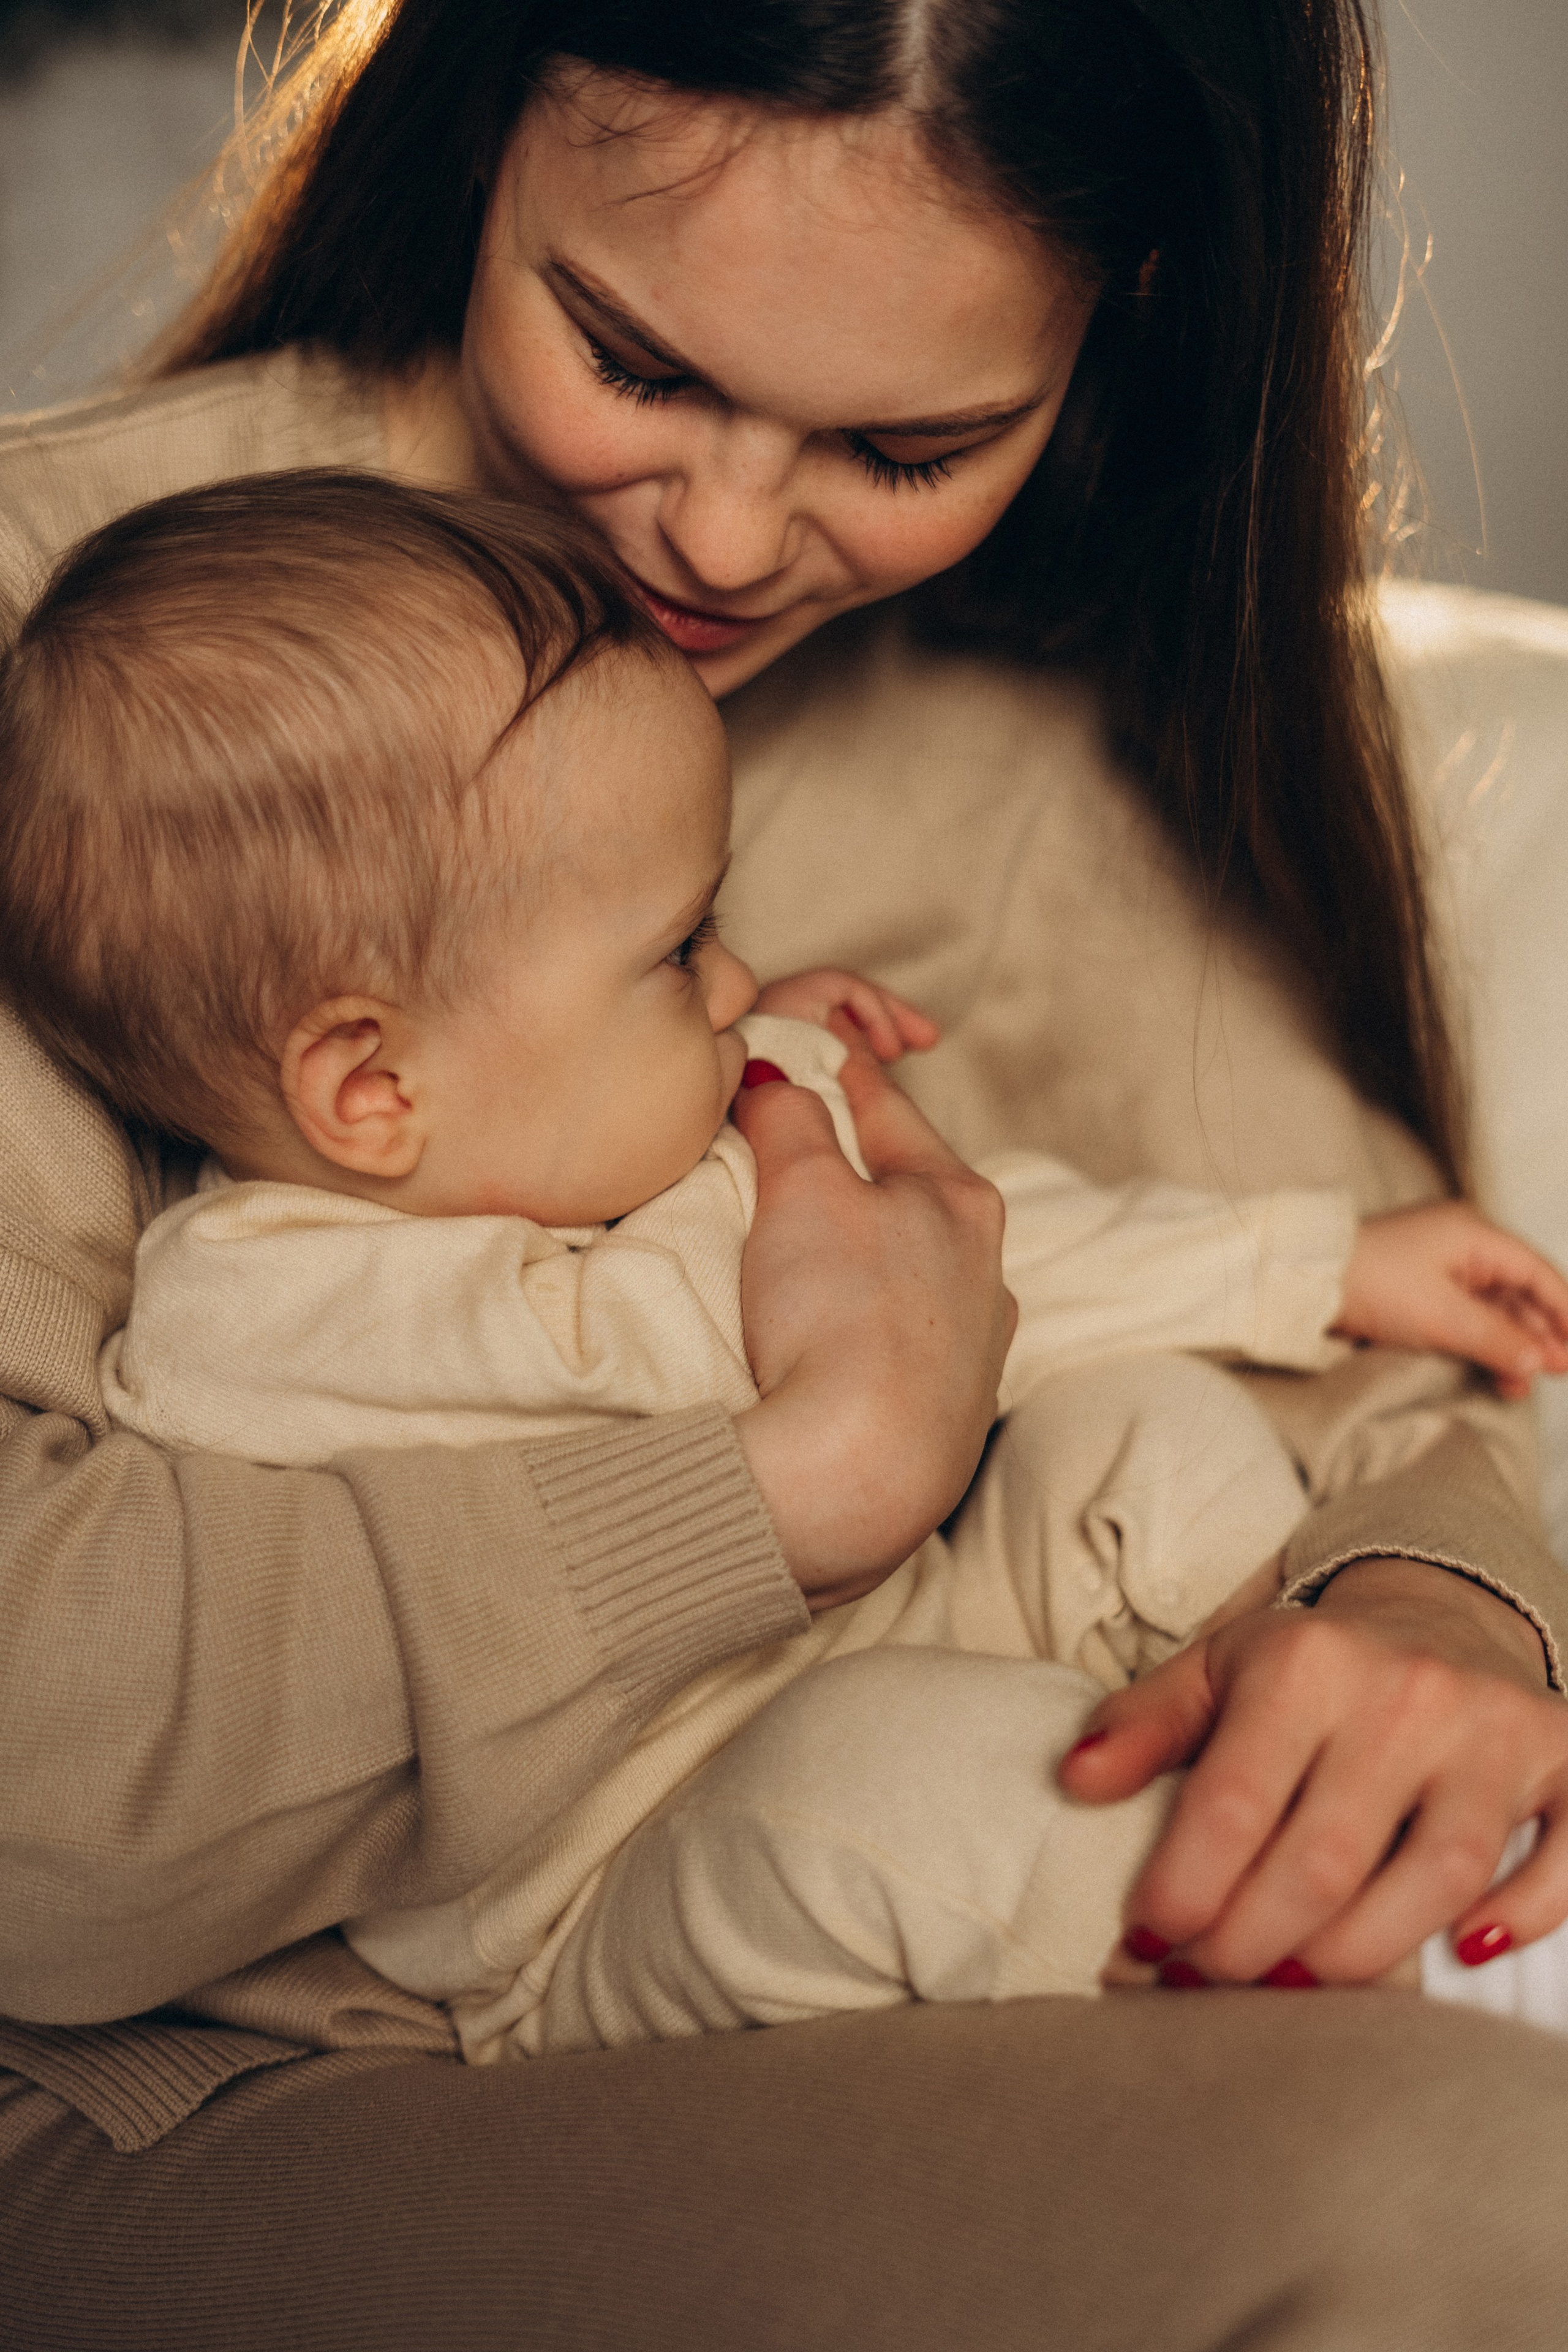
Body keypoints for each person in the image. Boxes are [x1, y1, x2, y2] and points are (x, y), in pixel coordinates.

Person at [6, 4, 1568, 2346]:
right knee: (1468, 2185)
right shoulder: (77, 666)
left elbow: (1378, 1404)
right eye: (632, 359)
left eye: (914, 440)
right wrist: (799, 1481)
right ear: (489, 118)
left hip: (851, 1811)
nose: (729, 544)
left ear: (1112, 324)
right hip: (187, 2085)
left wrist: (1439, 1623)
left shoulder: (1013, 728)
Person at [9, 459, 1568, 2078]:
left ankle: (1303, 1777)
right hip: (611, 1874)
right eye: (677, 950)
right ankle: (1400, 1986)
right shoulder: (251, 1317)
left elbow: (971, 1256)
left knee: (1146, 1437)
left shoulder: (627, 1137)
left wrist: (1312, 1265)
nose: (737, 973)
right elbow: (808, 1340)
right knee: (894, 1791)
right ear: (372, 1091)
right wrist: (785, 1129)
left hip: (895, 1624)